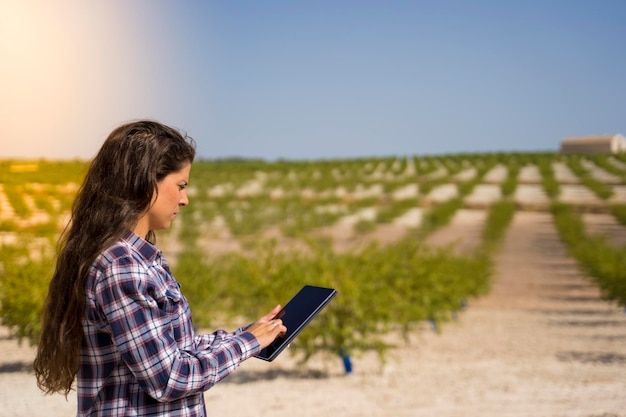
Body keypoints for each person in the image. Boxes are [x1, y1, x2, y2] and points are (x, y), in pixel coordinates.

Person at [33, 120, 286, 416]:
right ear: (145, 181)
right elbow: (169, 378)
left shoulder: (140, 260)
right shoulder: (122, 267)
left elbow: (176, 348)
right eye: (180, 186)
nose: (185, 199)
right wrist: (248, 343)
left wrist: (247, 335)